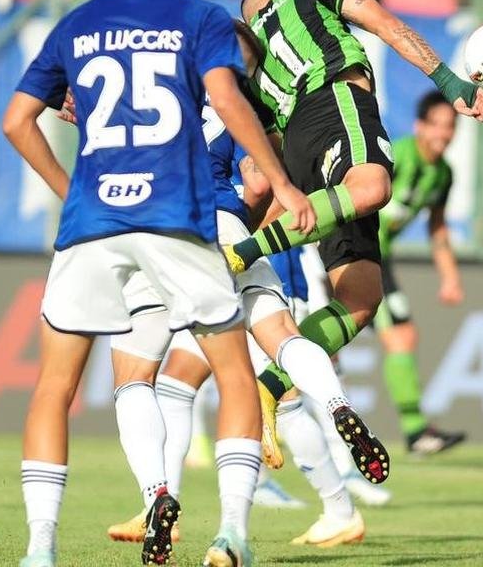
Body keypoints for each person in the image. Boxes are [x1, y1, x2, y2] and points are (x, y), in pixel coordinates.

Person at [2, 0, 315, 567]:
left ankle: (40, 548)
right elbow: (226, 101)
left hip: (93, 225)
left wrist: (72, 191)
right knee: (233, 377)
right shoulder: (201, 17)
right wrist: (284, 184)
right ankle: (232, 532)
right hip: (176, 218)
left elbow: (17, 123)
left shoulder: (78, 23)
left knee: (54, 388)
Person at [222, 0, 483, 465]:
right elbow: (385, 23)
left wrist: (251, 217)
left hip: (301, 150)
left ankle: (269, 386)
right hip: (337, 100)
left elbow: (264, 168)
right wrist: (448, 80)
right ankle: (237, 257)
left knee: (361, 299)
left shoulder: (255, 77)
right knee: (372, 187)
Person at [101, 60, 372, 549]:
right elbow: (265, 184)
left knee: (261, 394)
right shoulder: (249, 108)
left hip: (189, 241)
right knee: (193, 379)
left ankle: (333, 507)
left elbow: (262, 186)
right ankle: (336, 423)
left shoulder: (164, 100)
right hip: (242, 240)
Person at [375, 92, 468, 455]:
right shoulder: (397, 156)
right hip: (353, 250)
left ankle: (416, 432)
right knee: (399, 336)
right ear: (419, 126)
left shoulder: (443, 175)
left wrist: (450, 277)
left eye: (450, 126)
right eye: (437, 125)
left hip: (378, 259)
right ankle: (415, 431)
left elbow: (438, 228)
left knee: (401, 337)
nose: (443, 134)